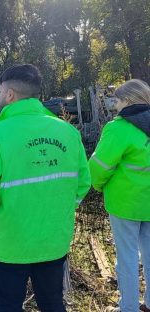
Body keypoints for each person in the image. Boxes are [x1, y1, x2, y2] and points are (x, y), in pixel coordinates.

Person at [0, 64, 91, 312]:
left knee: (9, 305)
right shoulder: (67, 131)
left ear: (10, 94)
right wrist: (59, 210)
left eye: (1, 91)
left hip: (9, 243)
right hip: (53, 240)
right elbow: (82, 182)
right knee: (53, 302)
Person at [89, 79, 150, 312]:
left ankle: (129, 307)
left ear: (128, 100)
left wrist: (97, 185)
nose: (115, 104)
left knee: (127, 258)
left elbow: (100, 167)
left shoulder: (118, 128)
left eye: (118, 99)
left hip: (125, 204)